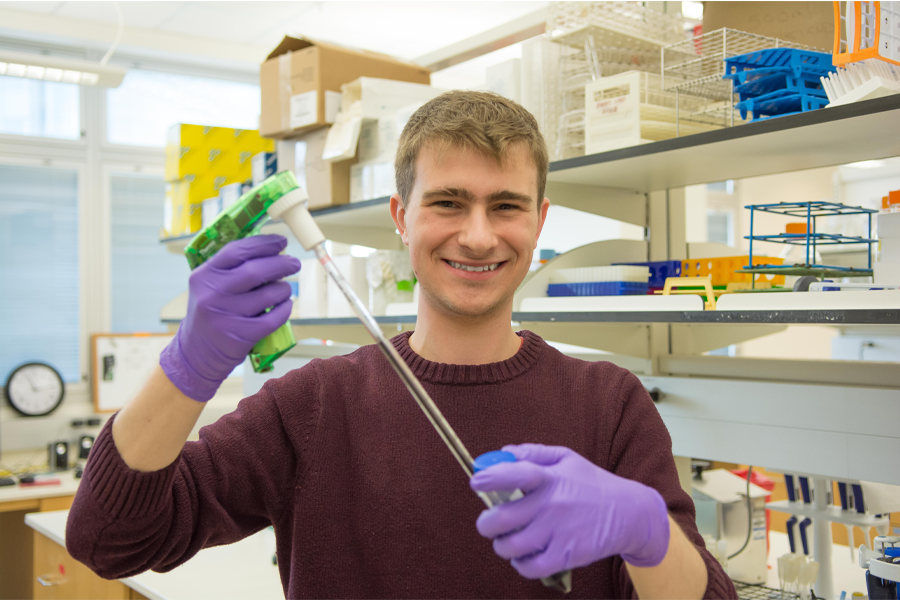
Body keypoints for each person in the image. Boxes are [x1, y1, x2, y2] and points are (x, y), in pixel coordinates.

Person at [67, 91, 738, 600]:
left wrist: (648, 533)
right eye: (448, 202)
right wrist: (187, 368)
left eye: (505, 206)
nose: (478, 236)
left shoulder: (608, 405)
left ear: (539, 222)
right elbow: (110, 541)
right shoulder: (312, 405)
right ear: (400, 217)